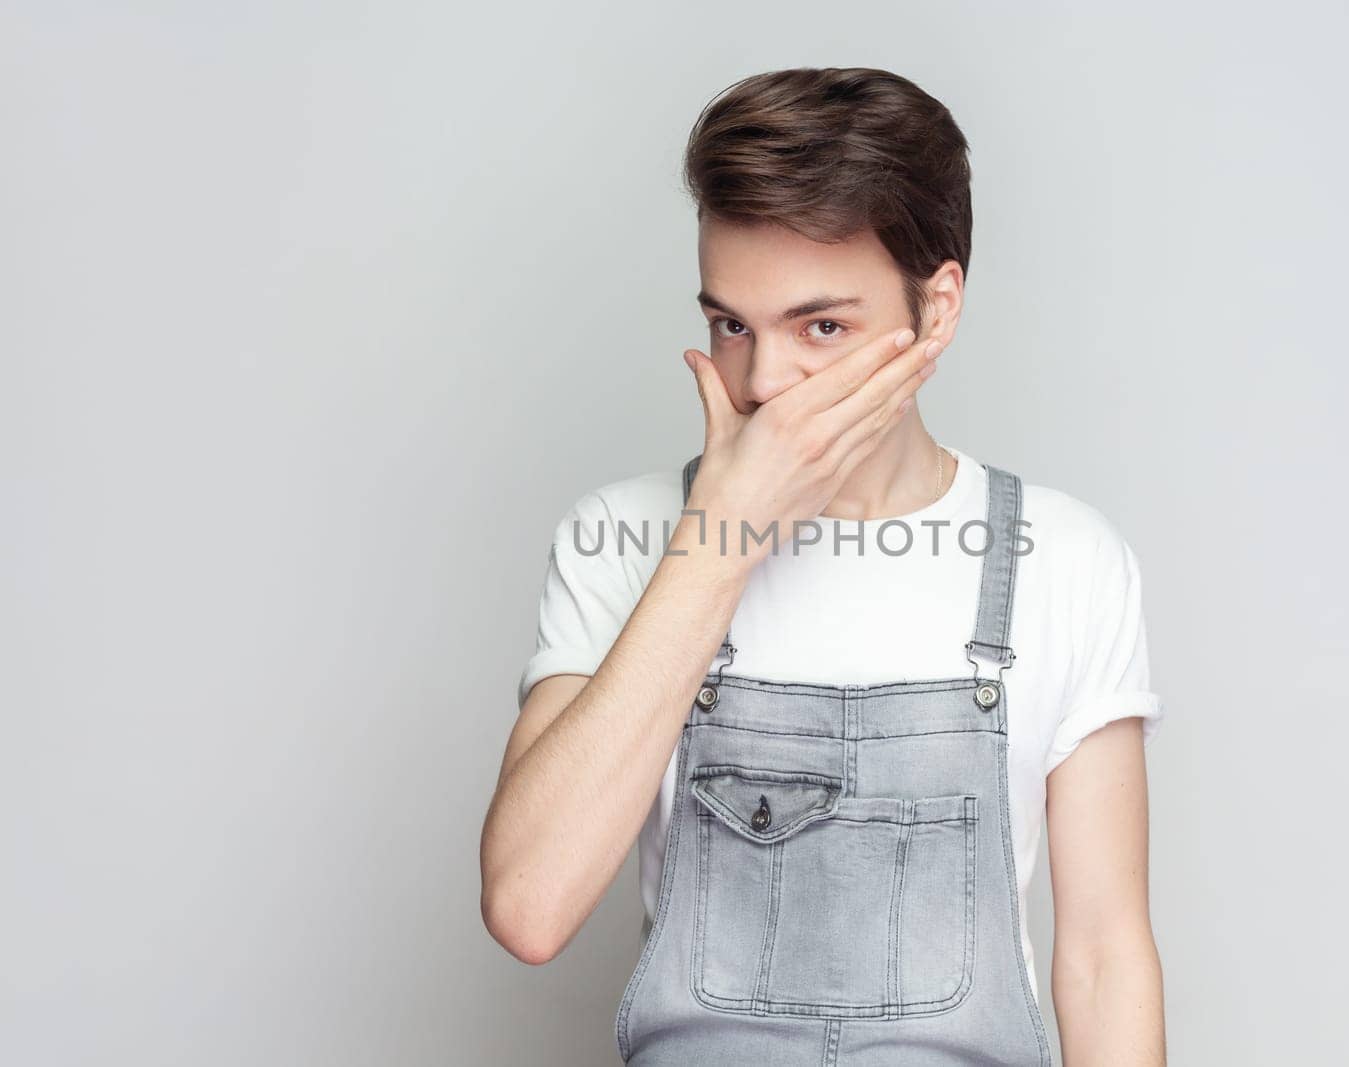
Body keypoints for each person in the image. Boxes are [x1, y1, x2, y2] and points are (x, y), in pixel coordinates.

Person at [480, 66, 1168, 1065]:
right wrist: (720, 539)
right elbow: (528, 904)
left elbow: (1104, 956)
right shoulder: (624, 536)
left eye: (823, 328)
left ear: (936, 311)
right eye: (731, 325)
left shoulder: (1063, 557)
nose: (761, 383)